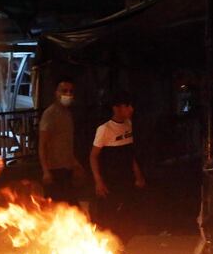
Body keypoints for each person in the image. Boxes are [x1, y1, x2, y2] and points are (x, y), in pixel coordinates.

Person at [89, 91, 146, 243]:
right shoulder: (105, 129)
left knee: (126, 214)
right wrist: (98, 181)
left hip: (126, 178)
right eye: (127, 106)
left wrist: (138, 174)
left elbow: (129, 154)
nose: (131, 109)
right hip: (110, 180)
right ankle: (107, 246)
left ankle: (121, 246)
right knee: (108, 217)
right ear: (117, 108)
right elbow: (93, 156)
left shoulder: (128, 124)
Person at [38, 77, 86, 207]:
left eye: (71, 91)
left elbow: (66, 144)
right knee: (57, 209)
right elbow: (42, 144)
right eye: (64, 91)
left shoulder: (67, 114)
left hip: (67, 169)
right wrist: (46, 171)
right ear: (56, 92)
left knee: (69, 209)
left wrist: (75, 163)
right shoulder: (50, 114)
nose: (68, 94)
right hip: (55, 170)